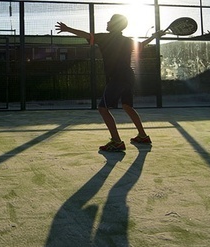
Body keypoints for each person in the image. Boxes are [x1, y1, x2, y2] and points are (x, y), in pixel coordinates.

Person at [55, 14, 163, 152]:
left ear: (115, 25)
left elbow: (87, 35)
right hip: (129, 76)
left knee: (103, 108)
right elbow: (141, 45)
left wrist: (67, 28)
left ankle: (117, 142)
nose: (107, 22)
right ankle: (143, 136)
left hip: (118, 77)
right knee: (127, 106)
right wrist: (154, 36)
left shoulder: (104, 37)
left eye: (110, 20)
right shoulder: (126, 40)